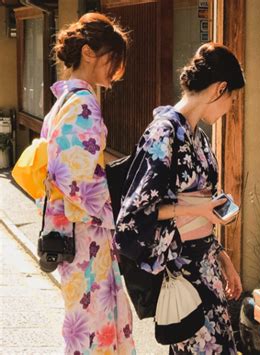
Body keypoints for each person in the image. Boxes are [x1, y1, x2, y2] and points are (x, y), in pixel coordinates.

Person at [114, 42, 245, 354]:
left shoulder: (195, 135)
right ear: (220, 89)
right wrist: (199, 206)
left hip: (206, 266)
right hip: (183, 272)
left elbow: (203, 211)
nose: (230, 107)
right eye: (232, 99)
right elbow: (134, 213)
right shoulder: (164, 132)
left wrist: (224, 259)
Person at [42, 12, 136, 354]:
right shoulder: (83, 103)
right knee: (96, 328)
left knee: (91, 324)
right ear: (88, 53)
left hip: (74, 230)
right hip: (87, 233)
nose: (114, 70)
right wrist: (112, 201)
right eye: (112, 59)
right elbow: (73, 176)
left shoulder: (64, 102)